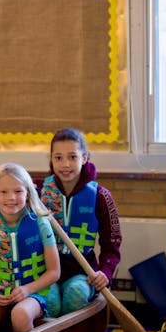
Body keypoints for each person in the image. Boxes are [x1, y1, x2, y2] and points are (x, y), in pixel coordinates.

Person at [0, 162, 61, 332]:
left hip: (34, 294)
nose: (11, 197)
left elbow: (54, 272)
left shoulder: (41, 223)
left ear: (27, 194)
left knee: (20, 315)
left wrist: (27, 289)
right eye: (3, 192)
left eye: (18, 191)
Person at [39, 127, 122, 315]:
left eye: (72, 157)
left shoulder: (101, 196)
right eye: (58, 158)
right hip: (45, 272)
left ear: (85, 158)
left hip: (82, 273)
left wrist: (105, 272)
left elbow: (112, 244)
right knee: (49, 302)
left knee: (75, 295)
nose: (65, 164)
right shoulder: (38, 193)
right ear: (51, 159)